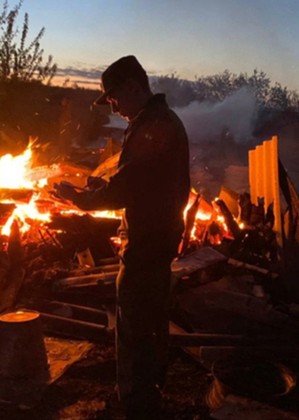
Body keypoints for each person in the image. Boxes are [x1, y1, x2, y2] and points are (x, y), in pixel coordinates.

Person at [53, 55, 190, 418]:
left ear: (133, 86)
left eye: (113, 96)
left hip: (147, 242)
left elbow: (127, 190)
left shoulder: (152, 125)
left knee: (134, 325)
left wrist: (80, 198)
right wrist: (101, 186)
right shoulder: (158, 121)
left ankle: (134, 404)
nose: (111, 105)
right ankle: (149, 396)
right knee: (151, 321)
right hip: (157, 237)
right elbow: (141, 182)